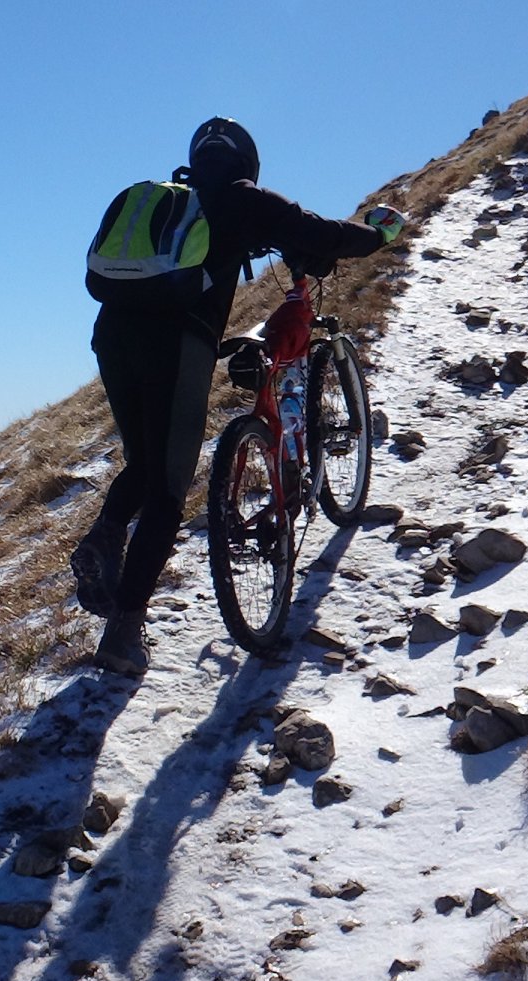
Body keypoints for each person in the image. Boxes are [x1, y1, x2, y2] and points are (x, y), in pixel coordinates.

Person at [73, 117, 405, 674]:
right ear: (247, 162)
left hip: (112, 338)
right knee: (169, 492)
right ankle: (123, 633)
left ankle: (104, 538)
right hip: (177, 347)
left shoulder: (172, 202)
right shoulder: (242, 199)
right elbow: (321, 234)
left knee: (145, 463)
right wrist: (378, 235)